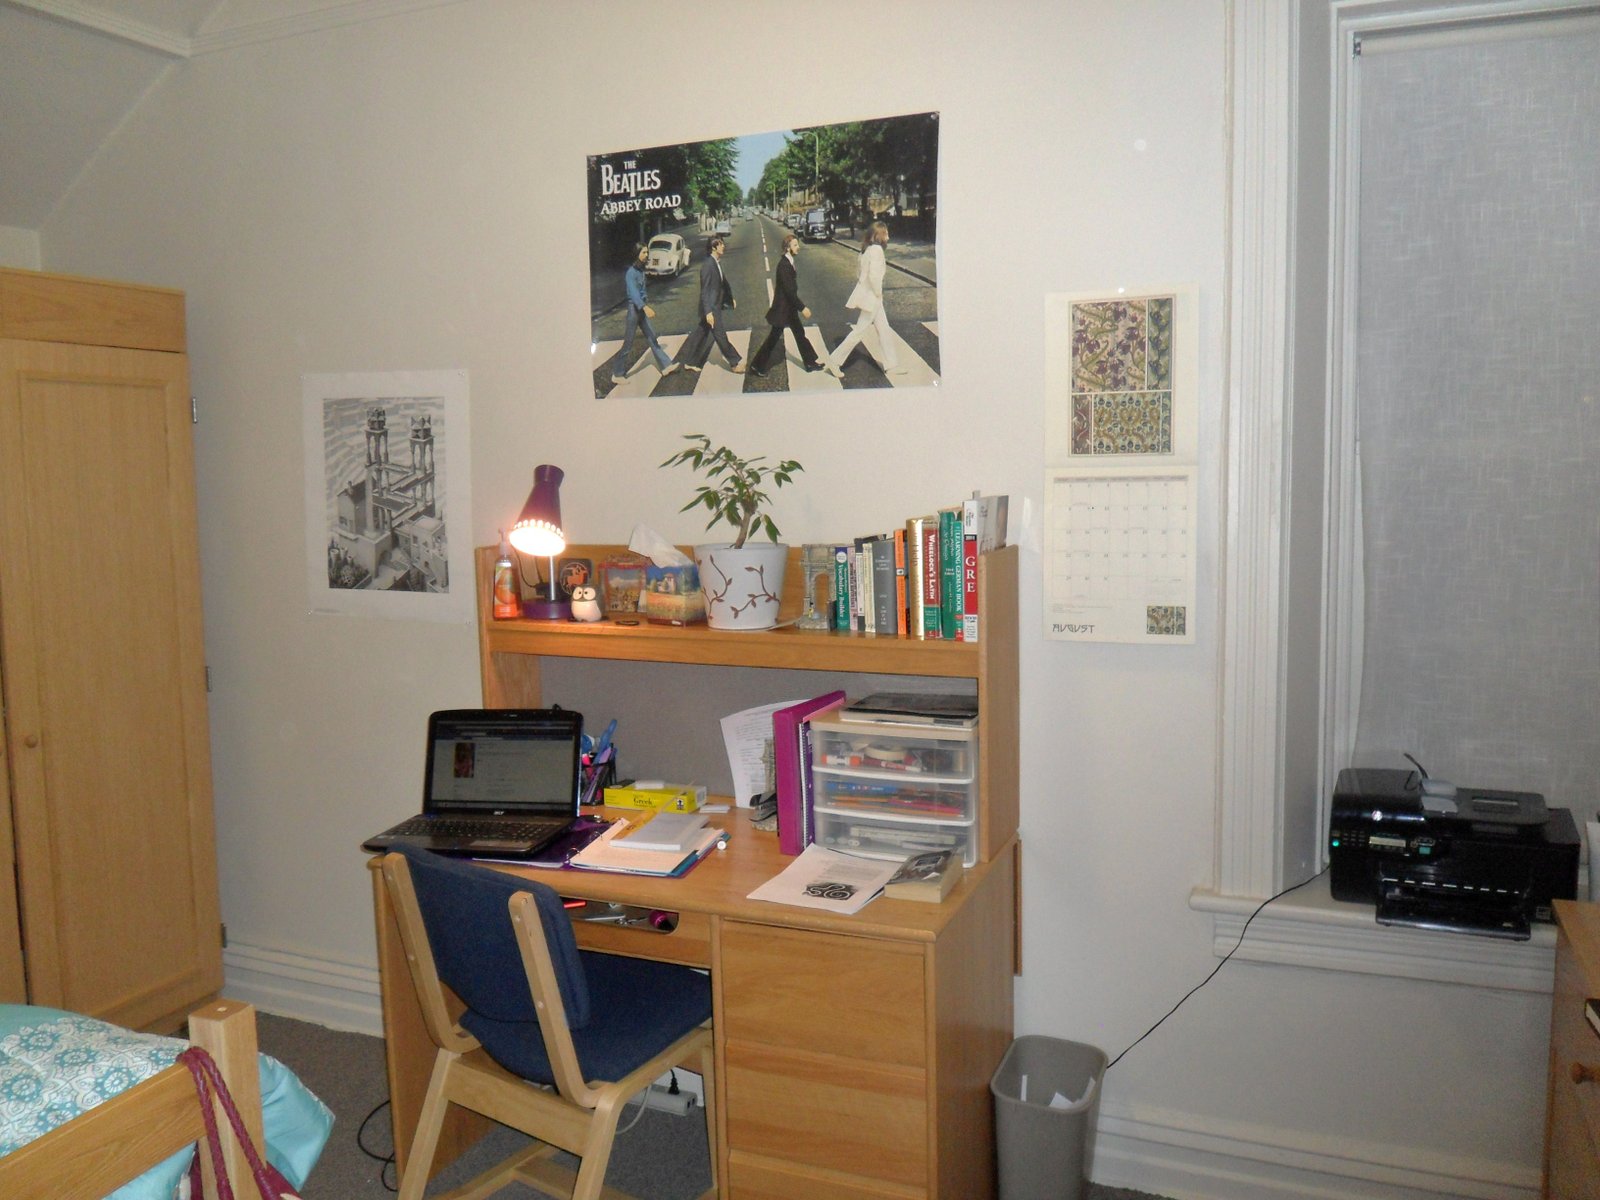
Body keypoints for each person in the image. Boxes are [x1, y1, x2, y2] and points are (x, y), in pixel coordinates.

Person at [823, 220, 903, 378]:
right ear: (877, 235)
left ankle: (892, 365)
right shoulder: (877, 251)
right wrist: (878, 293)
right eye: (885, 233)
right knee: (859, 332)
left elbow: (859, 274)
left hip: (871, 296)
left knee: (884, 330)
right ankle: (834, 361)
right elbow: (873, 276)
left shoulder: (865, 251)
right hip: (873, 298)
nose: (888, 236)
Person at [749, 231, 823, 378]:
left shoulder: (789, 262)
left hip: (788, 309)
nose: (798, 247)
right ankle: (757, 365)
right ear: (788, 248)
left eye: (797, 244)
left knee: (800, 334)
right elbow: (789, 292)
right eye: (795, 245)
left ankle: (810, 363)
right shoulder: (784, 265)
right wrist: (803, 308)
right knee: (773, 338)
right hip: (783, 309)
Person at [611, 243, 681, 384]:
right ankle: (617, 374)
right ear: (637, 254)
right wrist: (645, 307)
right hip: (634, 310)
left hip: (641, 309)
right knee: (628, 343)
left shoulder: (641, 270)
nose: (646, 255)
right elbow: (634, 294)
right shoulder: (631, 272)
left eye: (647, 252)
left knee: (652, 337)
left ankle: (666, 366)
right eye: (643, 252)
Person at [679, 234, 745, 374]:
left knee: (701, 334)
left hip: (714, 304)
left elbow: (722, 284)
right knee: (720, 335)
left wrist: (729, 298)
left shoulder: (716, 262)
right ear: (714, 247)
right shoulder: (708, 266)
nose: (723, 246)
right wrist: (708, 312)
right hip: (711, 308)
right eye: (721, 244)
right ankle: (734, 362)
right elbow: (705, 291)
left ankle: (690, 362)